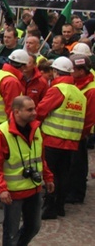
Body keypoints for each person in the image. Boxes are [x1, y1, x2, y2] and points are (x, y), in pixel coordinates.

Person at [0, 96, 54, 246]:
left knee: (34, 227)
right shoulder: (2, 133)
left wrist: (48, 177)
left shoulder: (36, 129)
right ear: (17, 112)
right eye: (29, 110)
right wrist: (1, 189)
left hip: (34, 188)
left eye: (34, 108)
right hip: (13, 193)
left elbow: (41, 158)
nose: (34, 112)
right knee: (10, 233)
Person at [34, 56, 85, 219]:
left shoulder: (58, 90)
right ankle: (60, 206)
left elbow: (41, 110)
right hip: (71, 141)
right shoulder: (79, 94)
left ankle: (50, 207)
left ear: (56, 72)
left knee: (51, 174)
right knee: (64, 173)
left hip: (53, 139)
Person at [68, 54, 95, 204]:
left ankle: (76, 193)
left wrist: (80, 133)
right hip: (72, 133)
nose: (70, 72)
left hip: (79, 135)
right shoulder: (78, 84)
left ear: (81, 71)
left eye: (73, 69)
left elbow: (89, 118)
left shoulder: (91, 90)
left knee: (78, 165)